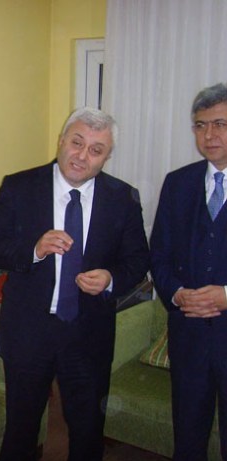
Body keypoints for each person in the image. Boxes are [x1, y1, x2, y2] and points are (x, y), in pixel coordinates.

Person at [0, 107, 150, 461]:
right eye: (77, 143)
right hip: (29, 331)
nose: (82, 156)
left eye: (96, 150)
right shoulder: (20, 186)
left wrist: (111, 278)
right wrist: (34, 249)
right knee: (21, 429)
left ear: (107, 157)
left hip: (88, 334)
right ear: (61, 140)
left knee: (88, 431)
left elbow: (138, 260)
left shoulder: (122, 197)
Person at [150, 82, 227, 461]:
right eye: (200, 125)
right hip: (189, 337)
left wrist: (226, 296)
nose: (209, 135)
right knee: (188, 439)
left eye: (220, 124)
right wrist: (177, 294)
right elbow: (159, 255)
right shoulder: (177, 183)